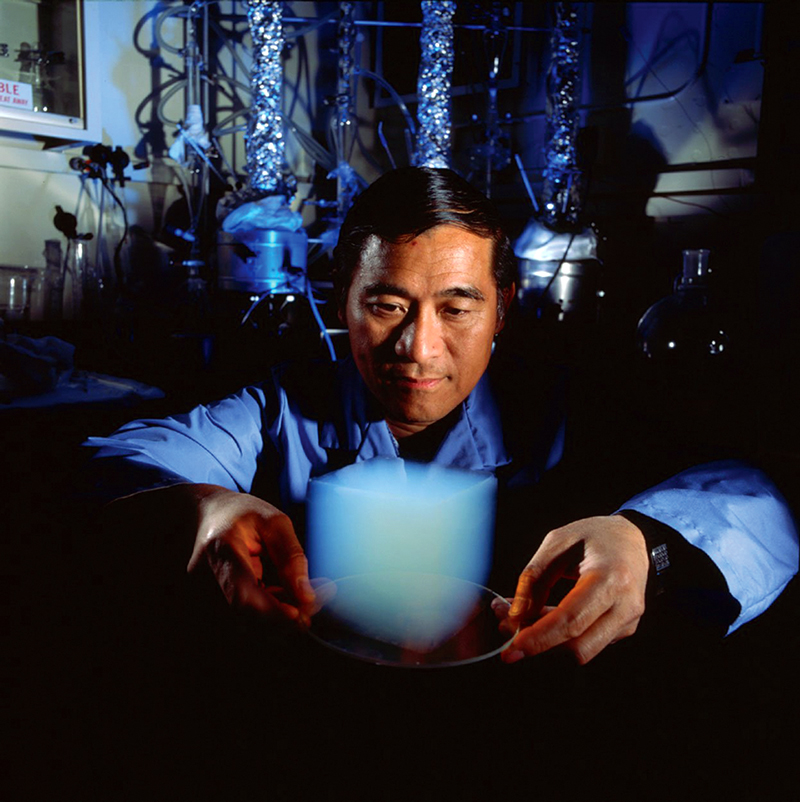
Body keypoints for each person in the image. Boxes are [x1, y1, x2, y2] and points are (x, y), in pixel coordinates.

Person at [84, 166, 798, 666]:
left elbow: (755, 491)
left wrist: (648, 543)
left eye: (457, 308)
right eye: (387, 305)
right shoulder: (280, 405)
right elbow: (111, 462)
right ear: (343, 304)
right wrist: (202, 508)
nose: (418, 348)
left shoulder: (561, 409)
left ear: (503, 309)